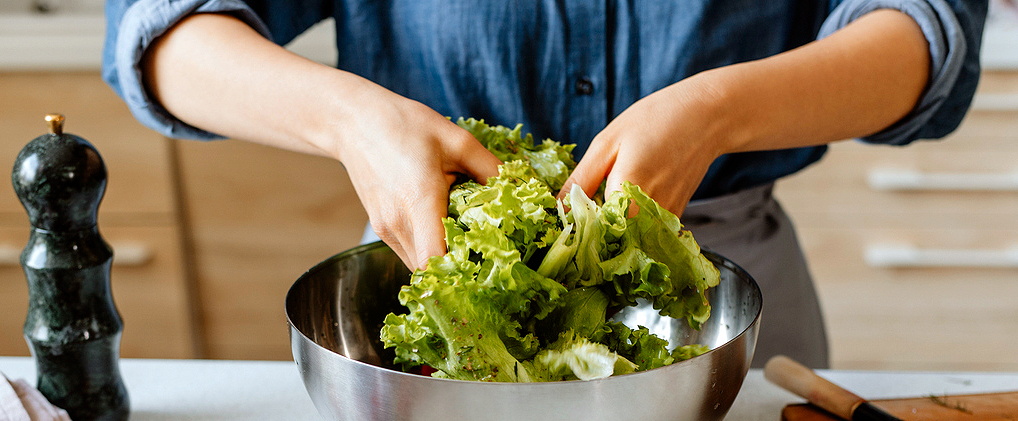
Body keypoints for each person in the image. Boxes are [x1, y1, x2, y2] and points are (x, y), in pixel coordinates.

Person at [102, 0, 988, 368]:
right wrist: (350, 121)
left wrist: (719, 110)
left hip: (719, 282)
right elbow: (165, 36)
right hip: (441, 278)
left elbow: (924, 31)